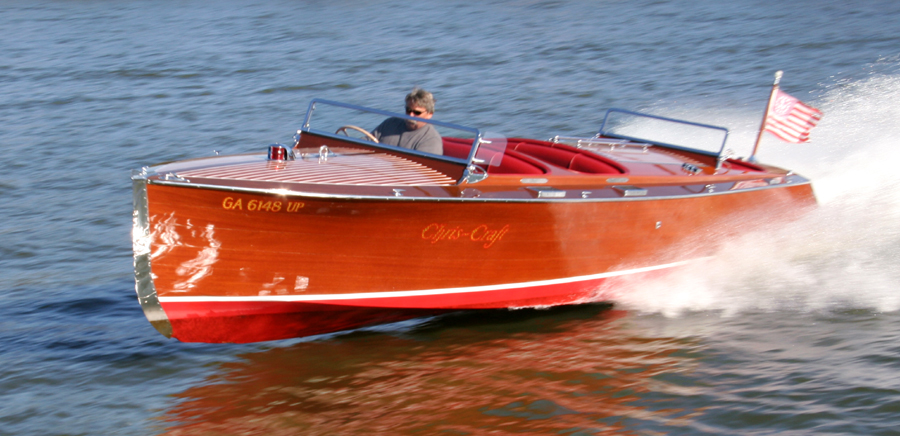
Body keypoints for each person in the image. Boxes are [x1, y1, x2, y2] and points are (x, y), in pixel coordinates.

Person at [372, 88, 443, 155]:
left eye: (417, 112)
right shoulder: (390, 123)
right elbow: (366, 141)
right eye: (408, 110)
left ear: (429, 114)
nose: (411, 115)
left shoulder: (431, 139)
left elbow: (420, 166)